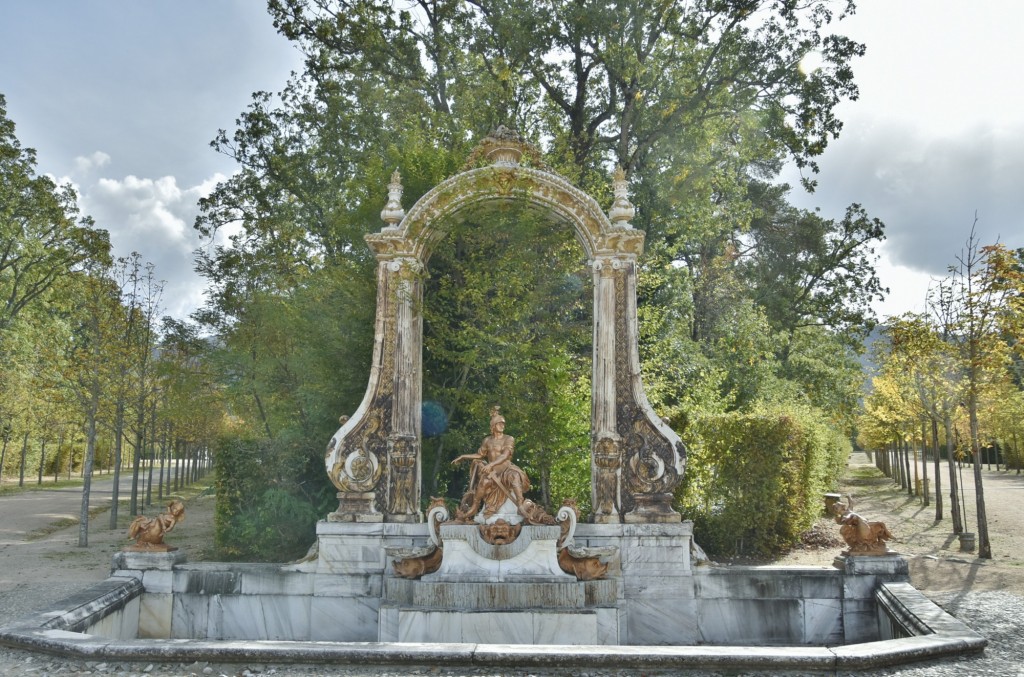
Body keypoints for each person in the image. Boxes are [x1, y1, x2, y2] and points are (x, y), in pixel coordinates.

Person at [452, 406, 530, 519]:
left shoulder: (509, 438)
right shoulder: (487, 440)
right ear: (493, 426)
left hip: (506, 469)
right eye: (500, 423)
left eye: (503, 423)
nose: (503, 425)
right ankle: (474, 508)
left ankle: (520, 505)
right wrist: (463, 456)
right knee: (483, 482)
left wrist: (490, 464)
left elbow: (505, 455)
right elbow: (480, 455)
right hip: (492, 472)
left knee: (515, 476)